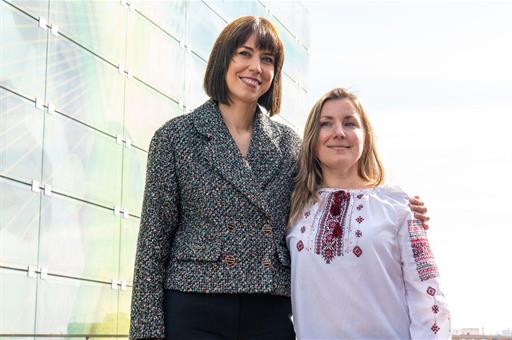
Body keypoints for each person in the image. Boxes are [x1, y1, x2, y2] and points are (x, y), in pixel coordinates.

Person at [130, 16, 430, 340]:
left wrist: (395, 206)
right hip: (194, 307)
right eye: (244, 53)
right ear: (223, 60)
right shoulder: (175, 138)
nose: (255, 67)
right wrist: (147, 333)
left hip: (269, 311)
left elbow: (332, 193)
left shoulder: (289, 145)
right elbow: (152, 245)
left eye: (267, 59)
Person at [287, 88, 450, 339]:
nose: (339, 132)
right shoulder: (294, 208)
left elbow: (430, 302)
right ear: (312, 137)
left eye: (350, 123)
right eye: (326, 124)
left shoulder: (398, 208)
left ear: (366, 136)